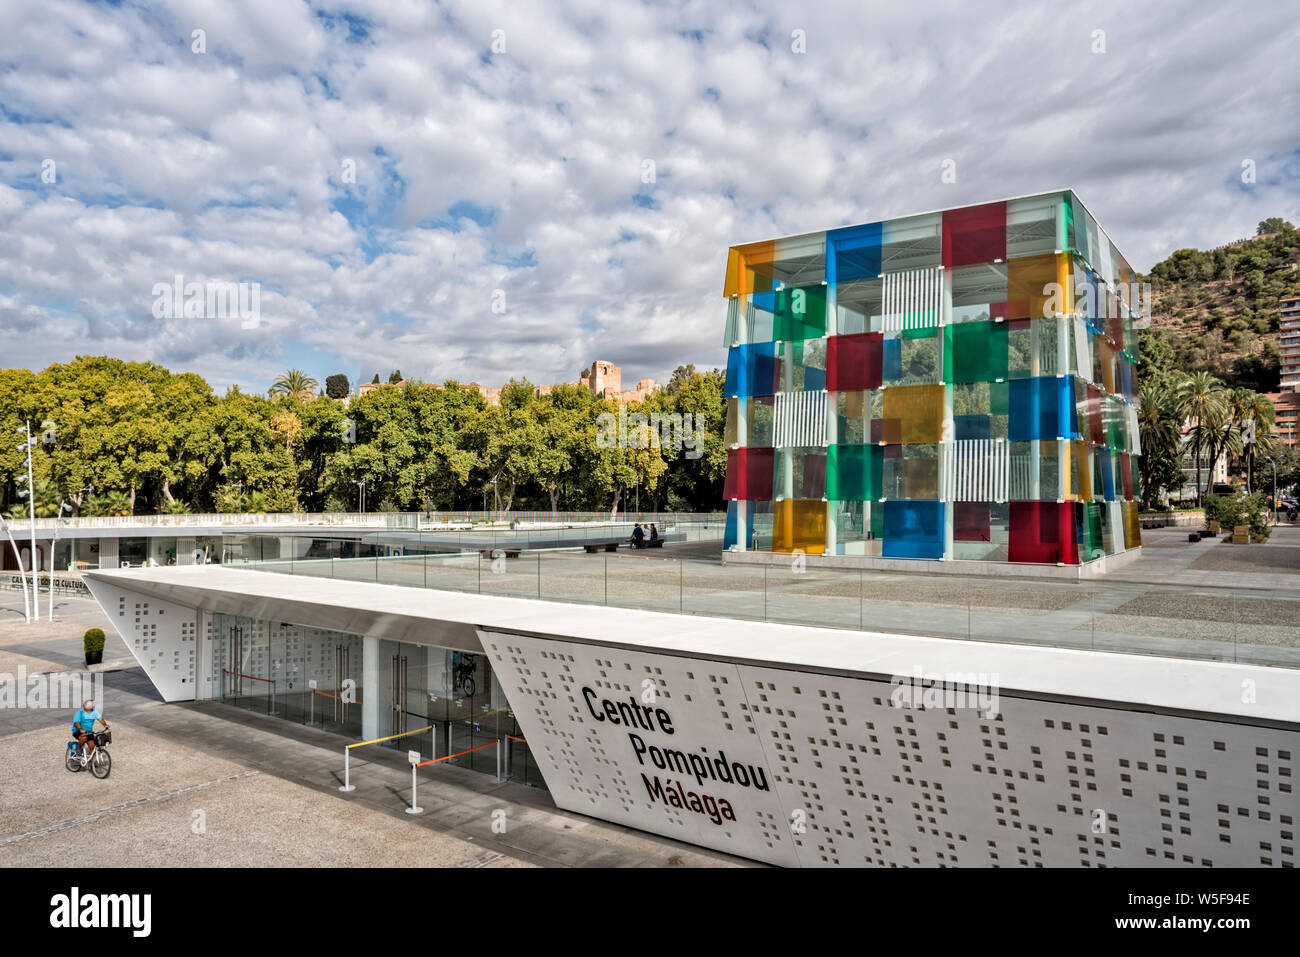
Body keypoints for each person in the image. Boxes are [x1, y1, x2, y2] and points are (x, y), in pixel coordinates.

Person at [72, 698, 110, 763]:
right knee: (84, 738)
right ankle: (78, 749)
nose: (92, 708)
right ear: (85, 707)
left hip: (89, 732)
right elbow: (77, 722)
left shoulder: (94, 711)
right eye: (91, 707)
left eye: (92, 706)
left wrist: (105, 725)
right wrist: (80, 729)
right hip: (77, 731)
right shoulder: (80, 713)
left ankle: (89, 761)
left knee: (92, 746)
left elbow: (100, 719)